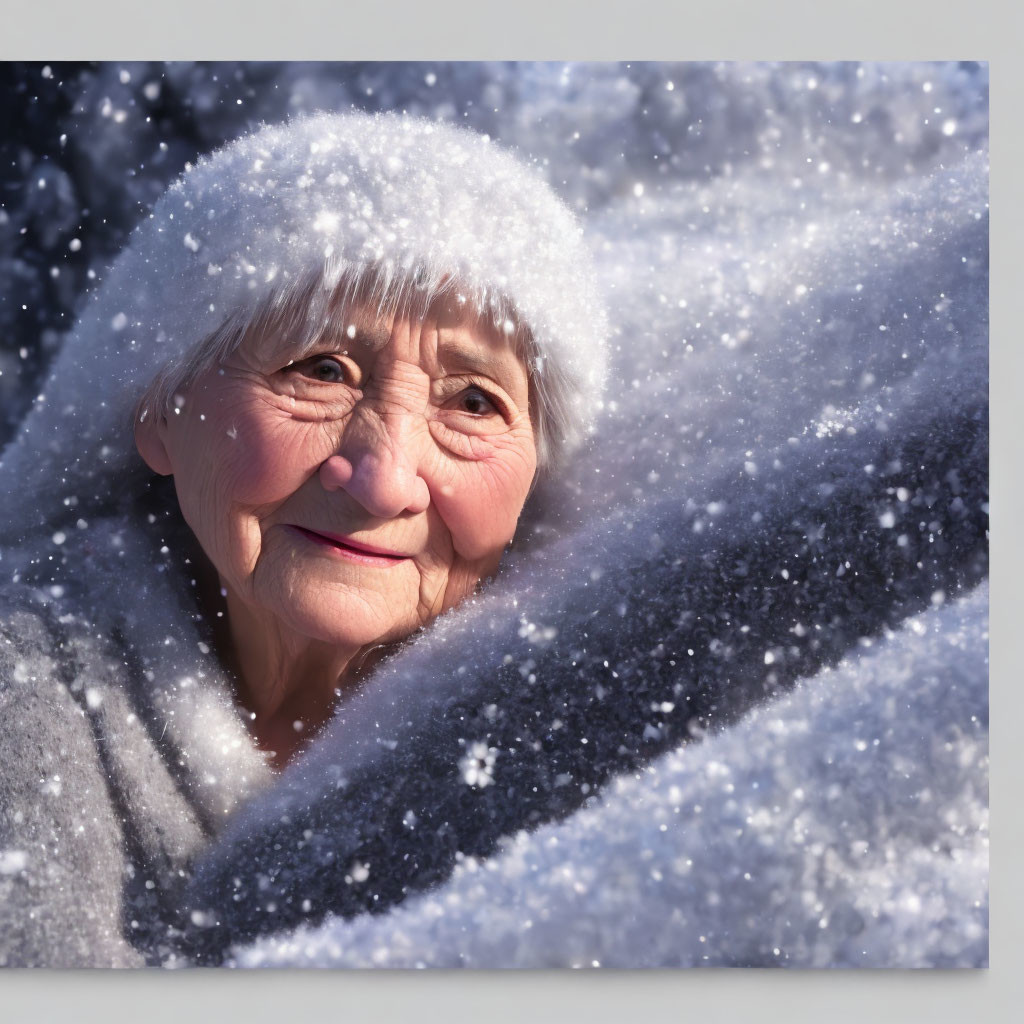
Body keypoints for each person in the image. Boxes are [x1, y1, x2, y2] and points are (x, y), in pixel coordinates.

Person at [0, 112, 606, 966]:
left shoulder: (583, 712)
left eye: (473, 403)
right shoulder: (26, 668)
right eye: (321, 370)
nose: (386, 478)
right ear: (158, 411)